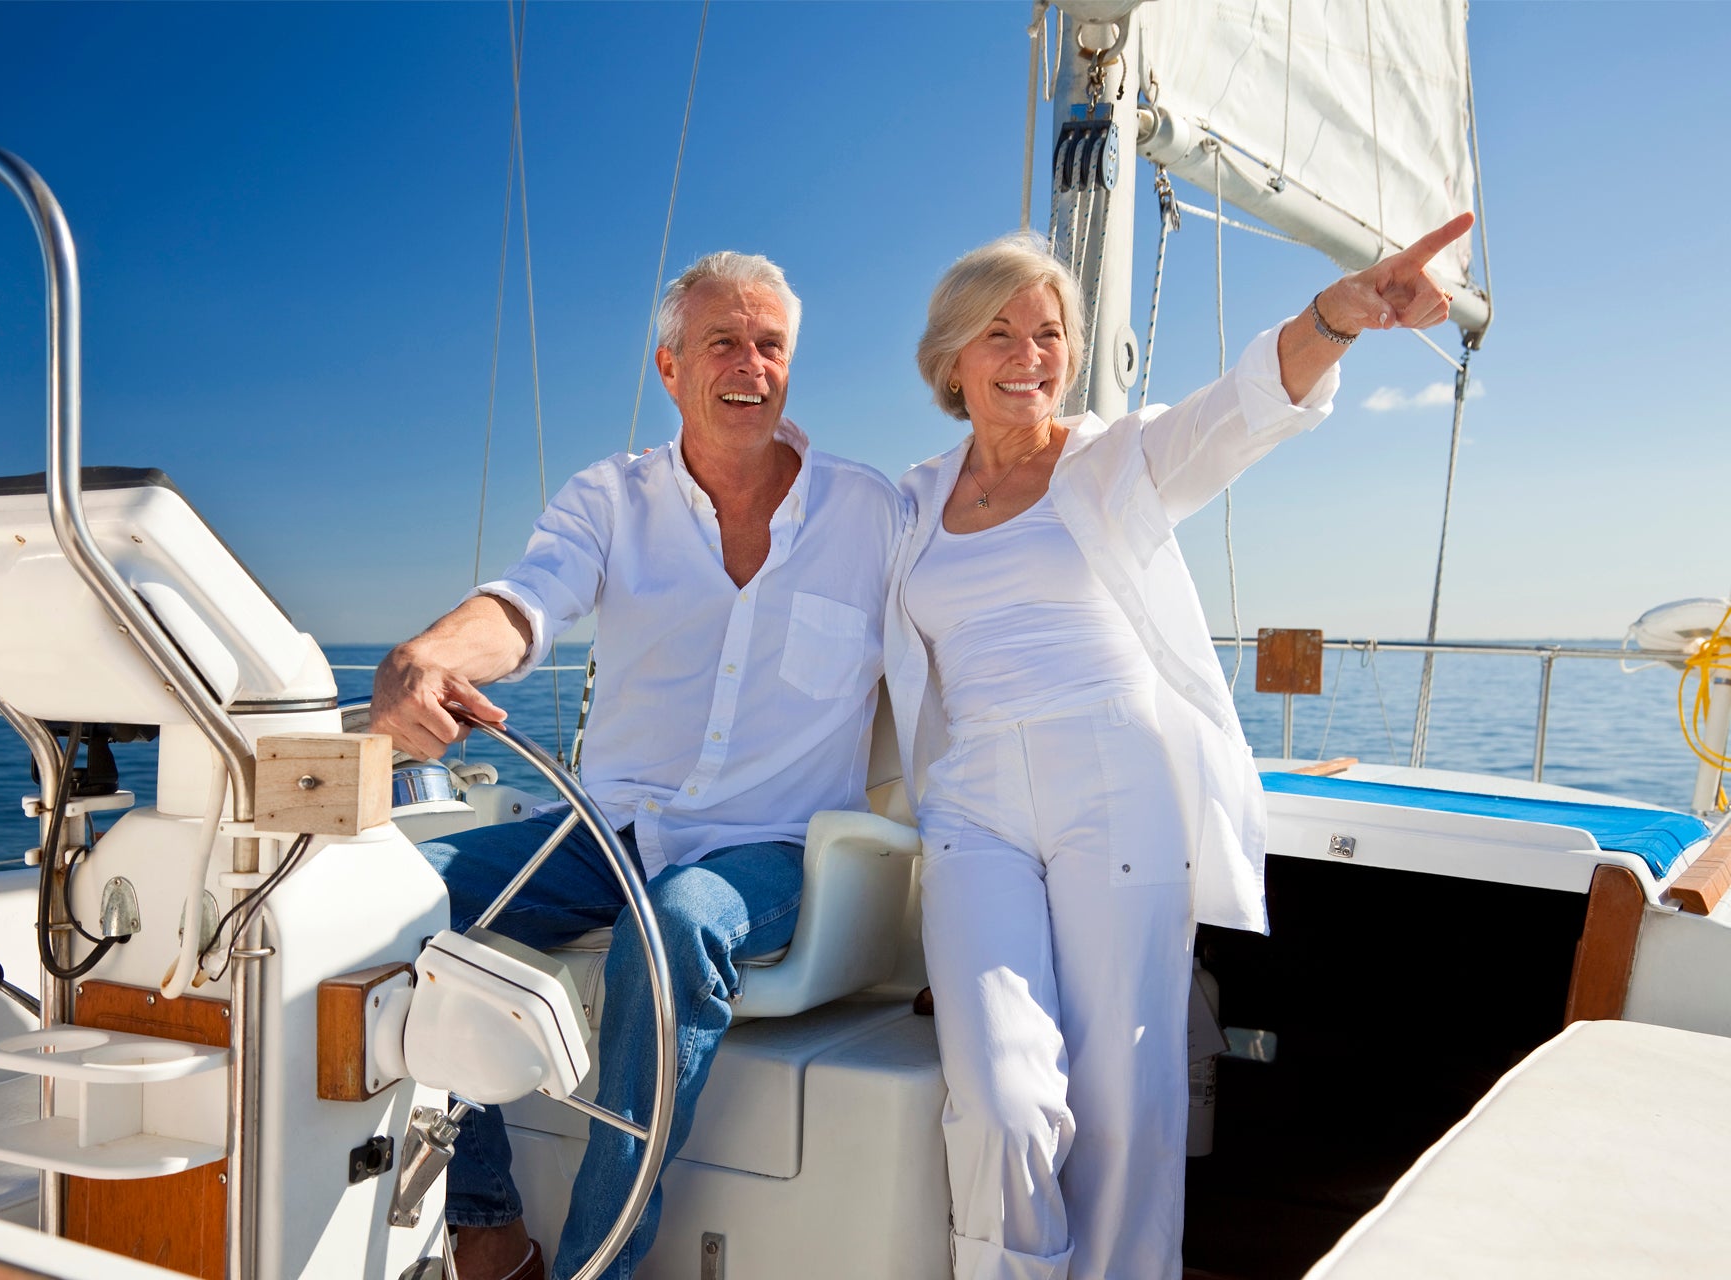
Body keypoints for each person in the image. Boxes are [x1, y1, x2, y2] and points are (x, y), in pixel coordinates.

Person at [883, 215, 1474, 1280]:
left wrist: (1341, 312)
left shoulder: (1115, 459)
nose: (1030, 357)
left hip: (1117, 786)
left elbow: (1239, 413)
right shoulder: (909, 502)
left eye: (1050, 333)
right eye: (1001, 334)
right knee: (1005, 1095)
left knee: (1125, 1097)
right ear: (951, 360)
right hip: (973, 806)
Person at [371, 250, 903, 1280]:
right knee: (397, 896)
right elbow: (527, 603)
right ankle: (486, 1227)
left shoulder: (872, 514)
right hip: (605, 829)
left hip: (775, 846)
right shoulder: (611, 498)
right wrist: (434, 655)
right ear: (670, 367)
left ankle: (597, 1268)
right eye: (722, 343)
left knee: (673, 928)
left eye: (769, 344)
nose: (749, 364)